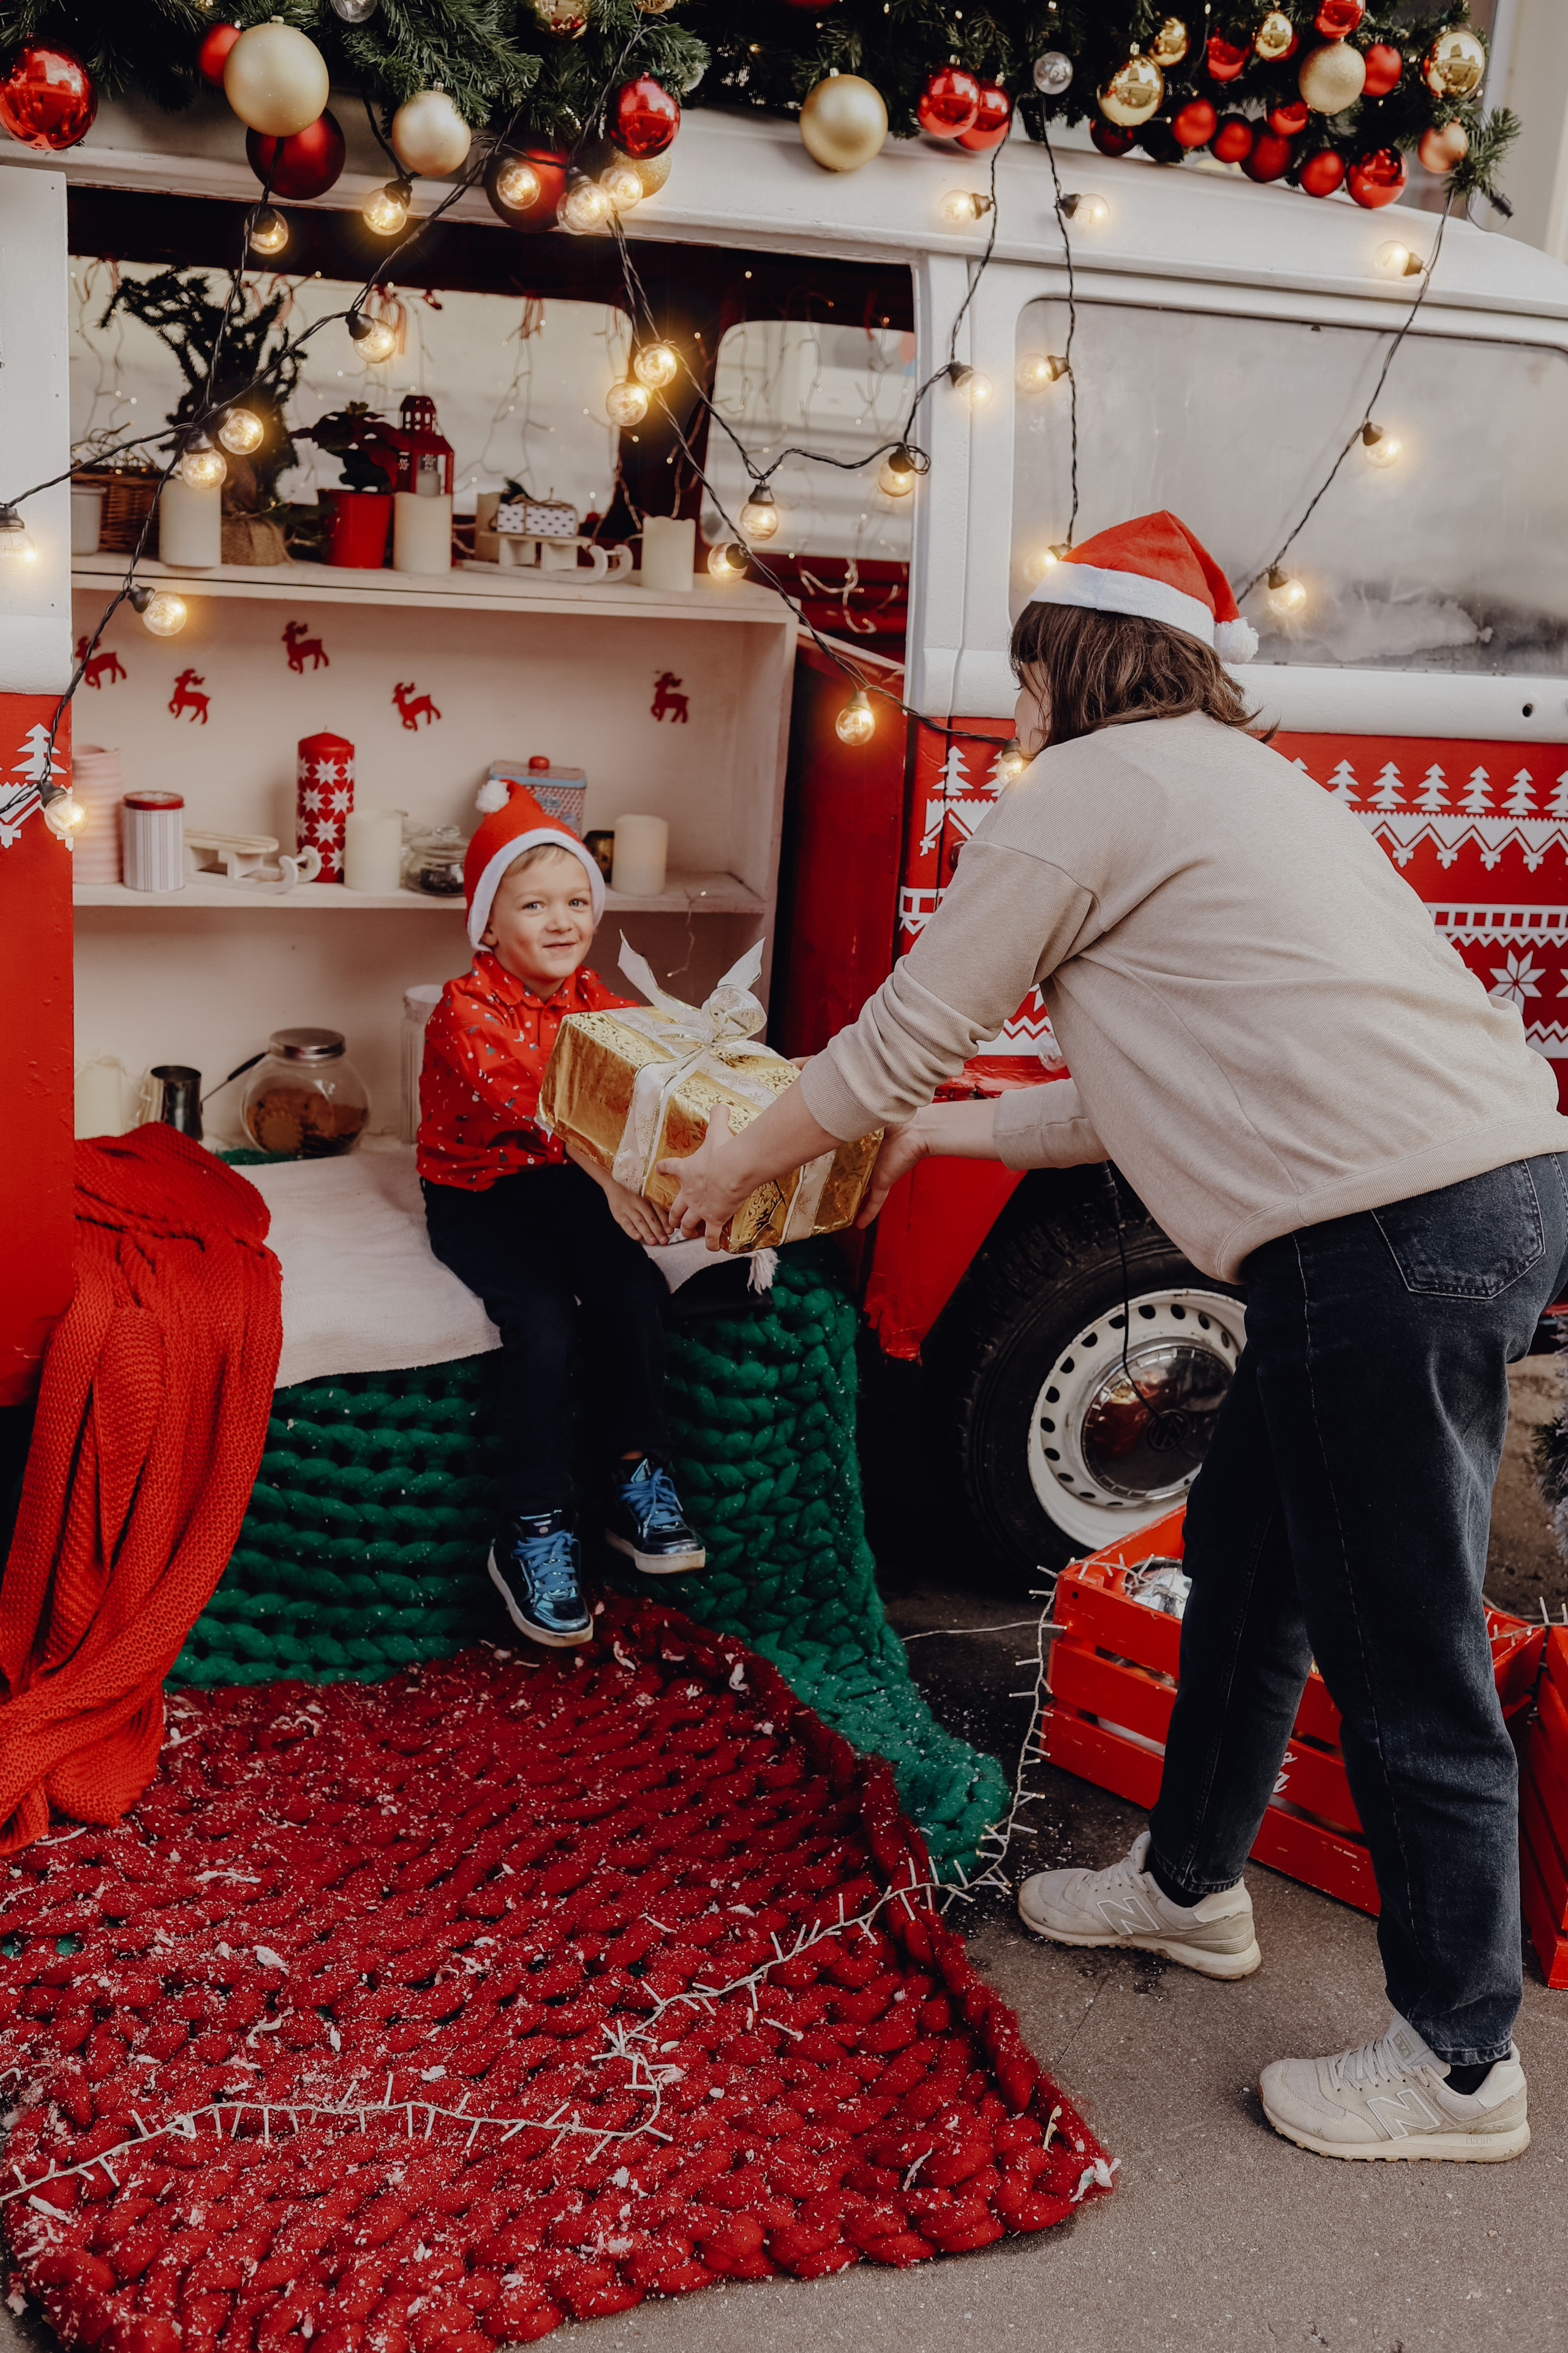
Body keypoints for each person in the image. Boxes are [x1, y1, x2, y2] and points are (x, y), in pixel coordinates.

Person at [662, 512, 1568, 2164]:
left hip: (1389, 1230)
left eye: (1016, 680)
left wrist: (727, 1160)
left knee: (1404, 1647)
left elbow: (892, 1039)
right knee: (1251, 1564)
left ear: (1059, 663)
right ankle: (1189, 1889)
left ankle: (1460, 2064)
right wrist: (939, 1140)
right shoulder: (1225, 783)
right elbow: (1110, 1101)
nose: (1007, 716)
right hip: (1432, 1202)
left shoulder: (1091, 790)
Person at [418, 782, 705, 1649]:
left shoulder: (598, 1001)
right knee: (541, 1323)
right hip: (481, 1192)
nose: (561, 919)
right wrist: (614, 1183)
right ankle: (532, 1523)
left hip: (566, 1182)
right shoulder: (462, 1010)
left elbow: (647, 1084)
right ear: (488, 925)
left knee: (631, 1287)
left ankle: (632, 1472)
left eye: (577, 901)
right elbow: (546, 1102)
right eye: (534, 903)